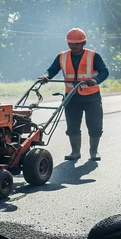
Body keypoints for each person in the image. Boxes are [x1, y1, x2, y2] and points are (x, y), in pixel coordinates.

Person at [38, 28, 109, 161]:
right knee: (72, 125)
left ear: (83, 43)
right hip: (71, 96)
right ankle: (75, 152)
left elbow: (104, 72)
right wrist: (46, 76)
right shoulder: (62, 56)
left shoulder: (93, 56)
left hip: (91, 97)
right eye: (71, 43)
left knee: (95, 125)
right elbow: (52, 70)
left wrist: (95, 80)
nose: (73, 46)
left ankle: (94, 152)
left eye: (77, 43)